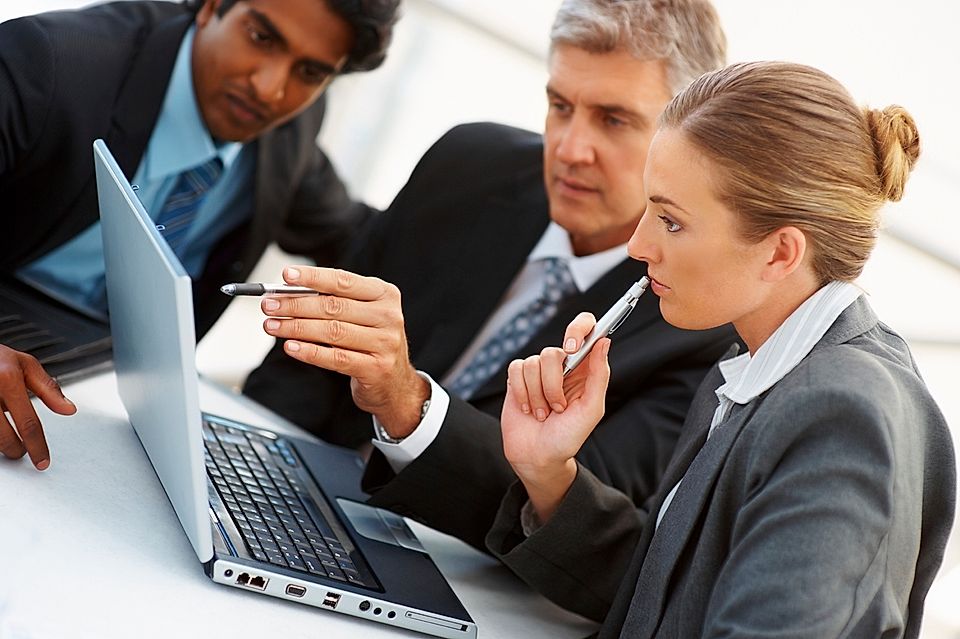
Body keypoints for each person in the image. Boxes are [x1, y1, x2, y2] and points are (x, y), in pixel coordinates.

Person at [242, 0, 736, 553]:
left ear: (690, 140)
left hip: (462, 573)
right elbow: (304, 366)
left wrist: (410, 407)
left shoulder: (701, 322)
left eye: (613, 119)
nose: (570, 149)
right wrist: (255, 461)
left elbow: (571, 504)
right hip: (289, 492)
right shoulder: (469, 162)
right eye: (560, 105)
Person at [483, 61, 956, 636]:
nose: (638, 244)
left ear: (780, 254)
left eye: (671, 222)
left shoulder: (843, 417)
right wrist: (548, 472)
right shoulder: (754, 367)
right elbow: (669, 594)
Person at [0, 0, 399, 471]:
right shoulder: (49, 62)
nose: (270, 89)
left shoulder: (291, 128)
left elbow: (354, 238)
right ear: (212, 7)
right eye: (261, 38)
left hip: (108, 397)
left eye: (310, 72)